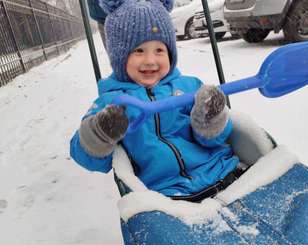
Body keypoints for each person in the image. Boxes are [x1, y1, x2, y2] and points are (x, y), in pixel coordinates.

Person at [70, 0, 242, 202]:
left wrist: (211, 119)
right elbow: (86, 157)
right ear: (118, 55)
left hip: (222, 173)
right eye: (138, 51)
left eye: (159, 50)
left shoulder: (188, 87)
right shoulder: (112, 102)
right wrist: (100, 132)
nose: (150, 60)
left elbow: (213, 140)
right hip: (165, 196)